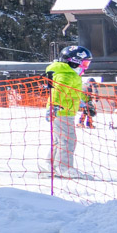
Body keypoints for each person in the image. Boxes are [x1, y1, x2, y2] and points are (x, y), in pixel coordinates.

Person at [47, 44, 90, 177]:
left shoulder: (71, 75)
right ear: (74, 62)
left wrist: (86, 101)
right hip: (62, 112)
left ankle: (50, 165)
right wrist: (53, 106)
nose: (85, 67)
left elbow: (75, 92)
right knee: (68, 140)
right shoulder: (66, 75)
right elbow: (57, 91)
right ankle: (64, 167)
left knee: (60, 140)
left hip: (64, 112)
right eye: (84, 63)